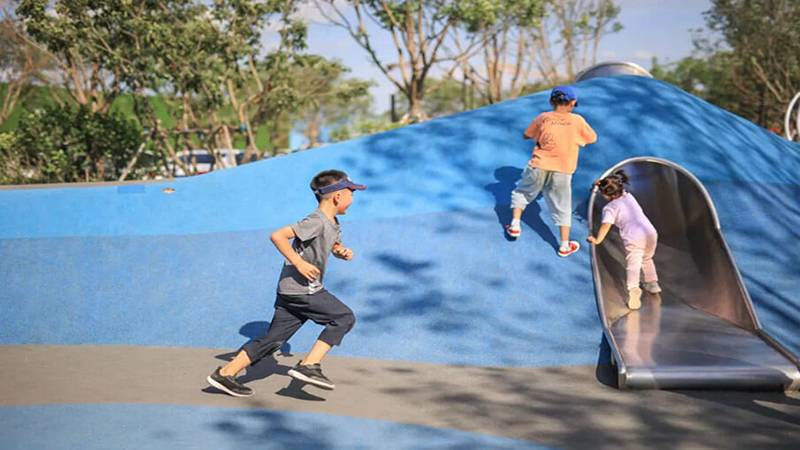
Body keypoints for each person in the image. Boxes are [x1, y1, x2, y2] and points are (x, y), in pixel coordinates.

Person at [207, 170, 365, 397]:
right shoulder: (316, 221)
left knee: (273, 339)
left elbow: (330, 243)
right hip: (303, 289)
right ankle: (309, 366)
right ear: (337, 196)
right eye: (351, 193)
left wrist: (340, 251)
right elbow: (278, 235)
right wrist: (298, 263)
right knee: (343, 317)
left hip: (290, 291)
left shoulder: (332, 223)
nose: (353, 198)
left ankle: (224, 374)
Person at [507, 85, 597, 257]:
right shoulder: (577, 120)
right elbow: (592, 138)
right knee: (562, 205)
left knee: (522, 192)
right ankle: (564, 245)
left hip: (538, 165)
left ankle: (515, 225)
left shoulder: (543, 118)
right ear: (573, 103)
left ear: (551, 101)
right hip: (562, 170)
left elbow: (527, 134)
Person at [587, 170, 661, 309]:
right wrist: (602, 183)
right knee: (647, 259)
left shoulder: (609, 208)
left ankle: (633, 289)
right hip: (650, 232)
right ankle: (652, 283)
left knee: (633, 265)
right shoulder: (628, 196)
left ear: (607, 195)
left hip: (634, 238)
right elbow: (615, 186)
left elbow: (606, 225)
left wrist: (597, 240)